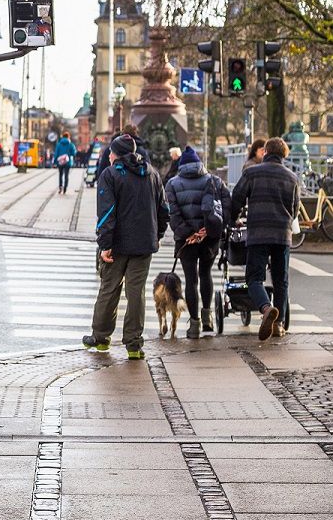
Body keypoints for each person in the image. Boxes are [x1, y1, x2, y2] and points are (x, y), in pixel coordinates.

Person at [83, 134, 169, 360]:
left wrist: (105, 244)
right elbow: (164, 210)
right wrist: (157, 235)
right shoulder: (152, 173)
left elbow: (106, 213)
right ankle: (133, 345)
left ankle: (101, 338)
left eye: (111, 152)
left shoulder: (110, 175)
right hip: (144, 244)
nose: (109, 155)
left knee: (109, 289)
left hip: (117, 244)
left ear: (117, 154)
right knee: (136, 293)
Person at [228, 137, 299, 340]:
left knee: (254, 278)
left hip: (258, 233)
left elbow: (237, 199)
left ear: (265, 152)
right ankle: (278, 325)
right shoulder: (292, 177)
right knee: (281, 280)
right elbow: (294, 209)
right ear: (284, 155)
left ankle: (266, 308)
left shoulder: (252, 173)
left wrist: (234, 219)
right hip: (282, 234)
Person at [165, 145, 231, 338]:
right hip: (209, 239)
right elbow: (226, 207)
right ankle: (208, 316)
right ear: (199, 163)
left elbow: (172, 214)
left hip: (186, 241)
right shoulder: (215, 181)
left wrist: (188, 234)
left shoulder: (172, 184)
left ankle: (194, 325)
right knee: (206, 274)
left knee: (191, 280)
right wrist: (209, 230)